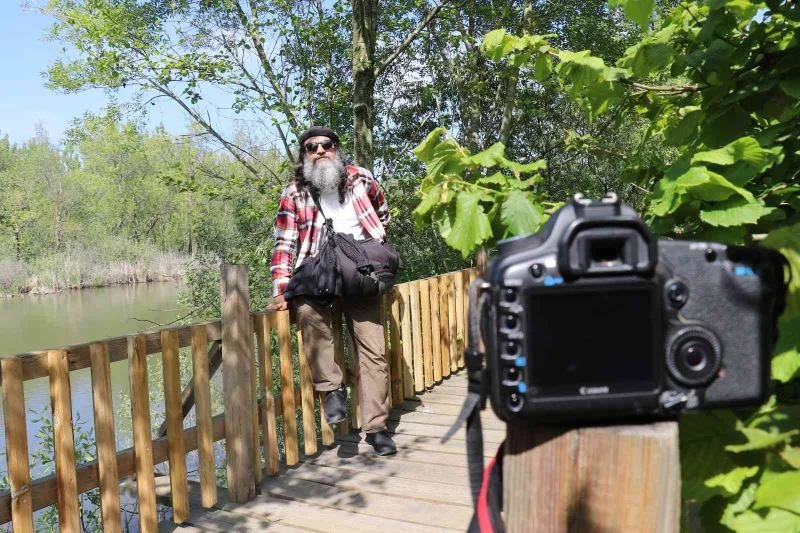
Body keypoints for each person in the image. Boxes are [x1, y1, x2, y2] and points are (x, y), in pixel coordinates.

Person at [268, 126, 397, 456]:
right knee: (308, 313)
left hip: (361, 269)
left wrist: (376, 243)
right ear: (305, 155)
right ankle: (332, 389)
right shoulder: (294, 192)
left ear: (337, 149)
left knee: (374, 350)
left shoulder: (361, 179)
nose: (320, 151)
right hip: (318, 269)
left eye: (326, 145)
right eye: (312, 147)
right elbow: (284, 243)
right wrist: (282, 289)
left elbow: (382, 211)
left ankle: (376, 428)